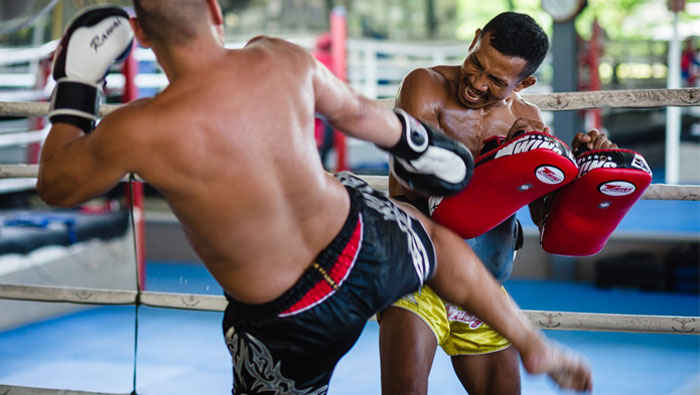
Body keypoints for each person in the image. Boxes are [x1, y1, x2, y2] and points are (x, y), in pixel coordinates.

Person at [36, 2, 593, 394]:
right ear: (215, 11)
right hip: (358, 243)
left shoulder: (138, 127)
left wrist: (77, 85)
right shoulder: (281, 59)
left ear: (145, 37)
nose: (477, 83)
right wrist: (413, 144)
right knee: (432, 240)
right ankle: (531, 340)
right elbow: (359, 115)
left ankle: (515, 336)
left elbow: (57, 185)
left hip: (289, 309)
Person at [379, 12, 615, 395]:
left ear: (525, 83)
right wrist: (509, 154)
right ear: (474, 39)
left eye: (496, 80)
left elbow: (544, 217)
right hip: (418, 273)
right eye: (476, 64)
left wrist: (578, 166)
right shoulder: (425, 84)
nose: (475, 82)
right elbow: (419, 174)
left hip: (486, 285)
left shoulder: (528, 118)